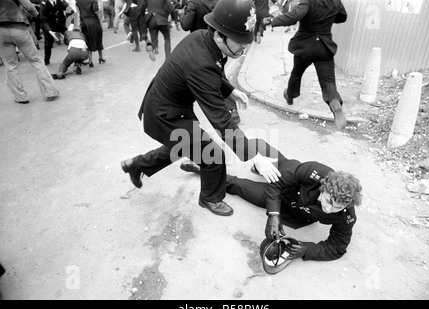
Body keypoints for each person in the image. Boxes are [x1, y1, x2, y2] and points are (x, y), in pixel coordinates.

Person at [121, 0, 281, 217]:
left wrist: (230, 90)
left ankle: (136, 165)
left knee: (182, 145)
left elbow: (215, 70)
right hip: (164, 115)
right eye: (239, 41)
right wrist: (255, 157)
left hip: (171, 107)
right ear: (218, 36)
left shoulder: (201, 37)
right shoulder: (201, 63)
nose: (244, 47)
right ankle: (211, 199)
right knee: (211, 153)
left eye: (246, 41)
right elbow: (221, 120)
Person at [180, 139, 363, 261]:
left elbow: (337, 247)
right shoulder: (313, 171)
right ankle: (259, 167)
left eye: (338, 207)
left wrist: (307, 250)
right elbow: (276, 184)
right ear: (323, 188)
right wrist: (272, 215)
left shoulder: (347, 215)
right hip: (286, 179)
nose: (330, 210)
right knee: (256, 145)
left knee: (239, 186)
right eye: (329, 201)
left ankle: (201, 169)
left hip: (291, 209)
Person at [262, 0, 348, 130]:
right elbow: (343, 17)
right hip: (324, 47)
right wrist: (327, 18)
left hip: (305, 46)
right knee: (328, 82)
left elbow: (295, 16)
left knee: (296, 74)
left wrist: (272, 21)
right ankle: (334, 101)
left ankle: (290, 95)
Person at [0, 0, 59, 103]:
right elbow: (28, 6)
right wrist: (36, 15)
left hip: (1, 32)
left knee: (10, 65)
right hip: (19, 28)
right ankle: (50, 92)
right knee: (36, 60)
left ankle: (21, 97)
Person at [76, 0, 105, 66]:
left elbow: (77, 11)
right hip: (94, 21)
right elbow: (96, 10)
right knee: (98, 39)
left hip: (84, 22)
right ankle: (100, 57)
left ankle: (90, 61)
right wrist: (100, 8)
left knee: (88, 41)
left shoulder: (78, 1)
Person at [40, 0, 69, 65]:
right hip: (48, 25)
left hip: (59, 24)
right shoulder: (44, 4)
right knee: (48, 44)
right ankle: (46, 60)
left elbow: (67, 8)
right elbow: (44, 20)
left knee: (70, 37)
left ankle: (77, 59)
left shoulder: (59, 1)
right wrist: (50, 31)